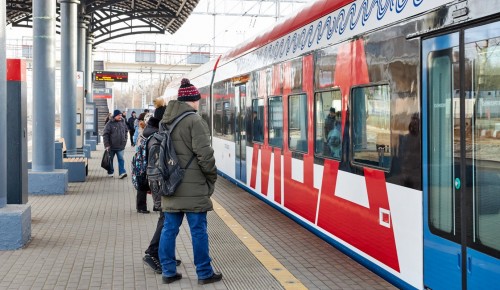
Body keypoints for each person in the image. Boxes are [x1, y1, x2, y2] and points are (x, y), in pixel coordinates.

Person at [158, 78, 222, 285]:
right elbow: (205, 156)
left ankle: (168, 272)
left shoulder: (165, 121)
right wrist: (211, 176)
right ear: (192, 100)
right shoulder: (195, 121)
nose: (198, 103)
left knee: (169, 229)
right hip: (193, 186)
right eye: (197, 100)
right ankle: (203, 273)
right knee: (198, 231)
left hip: (170, 183)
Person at [140, 117, 183, 273]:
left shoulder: (152, 135)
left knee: (166, 220)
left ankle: (164, 254)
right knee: (166, 220)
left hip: (157, 184)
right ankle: (152, 253)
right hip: (160, 185)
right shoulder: (158, 138)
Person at [102, 109, 128, 179]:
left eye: (120, 115)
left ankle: (122, 173)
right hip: (111, 146)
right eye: (119, 115)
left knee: (121, 159)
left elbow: (126, 131)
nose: (120, 116)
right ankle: (110, 172)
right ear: (115, 116)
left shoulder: (123, 122)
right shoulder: (109, 123)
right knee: (110, 160)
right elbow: (105, 134)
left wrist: (125, 140)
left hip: (121, 145)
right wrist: (107, 145)